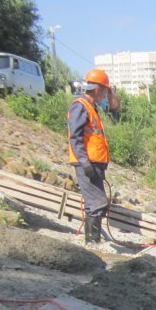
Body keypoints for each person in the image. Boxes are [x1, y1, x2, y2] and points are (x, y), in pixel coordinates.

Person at [68, 68, 117, 250]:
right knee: (97, 202)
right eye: (105, 90)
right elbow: (75, 137)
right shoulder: (80, 106)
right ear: (98, 89)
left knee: (95, 203)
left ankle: (92, 242)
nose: (106, 95)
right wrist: (84, 162)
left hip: (94, 163)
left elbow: (115, 108)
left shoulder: (91, 107)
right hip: (87, 163)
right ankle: (92, 244)